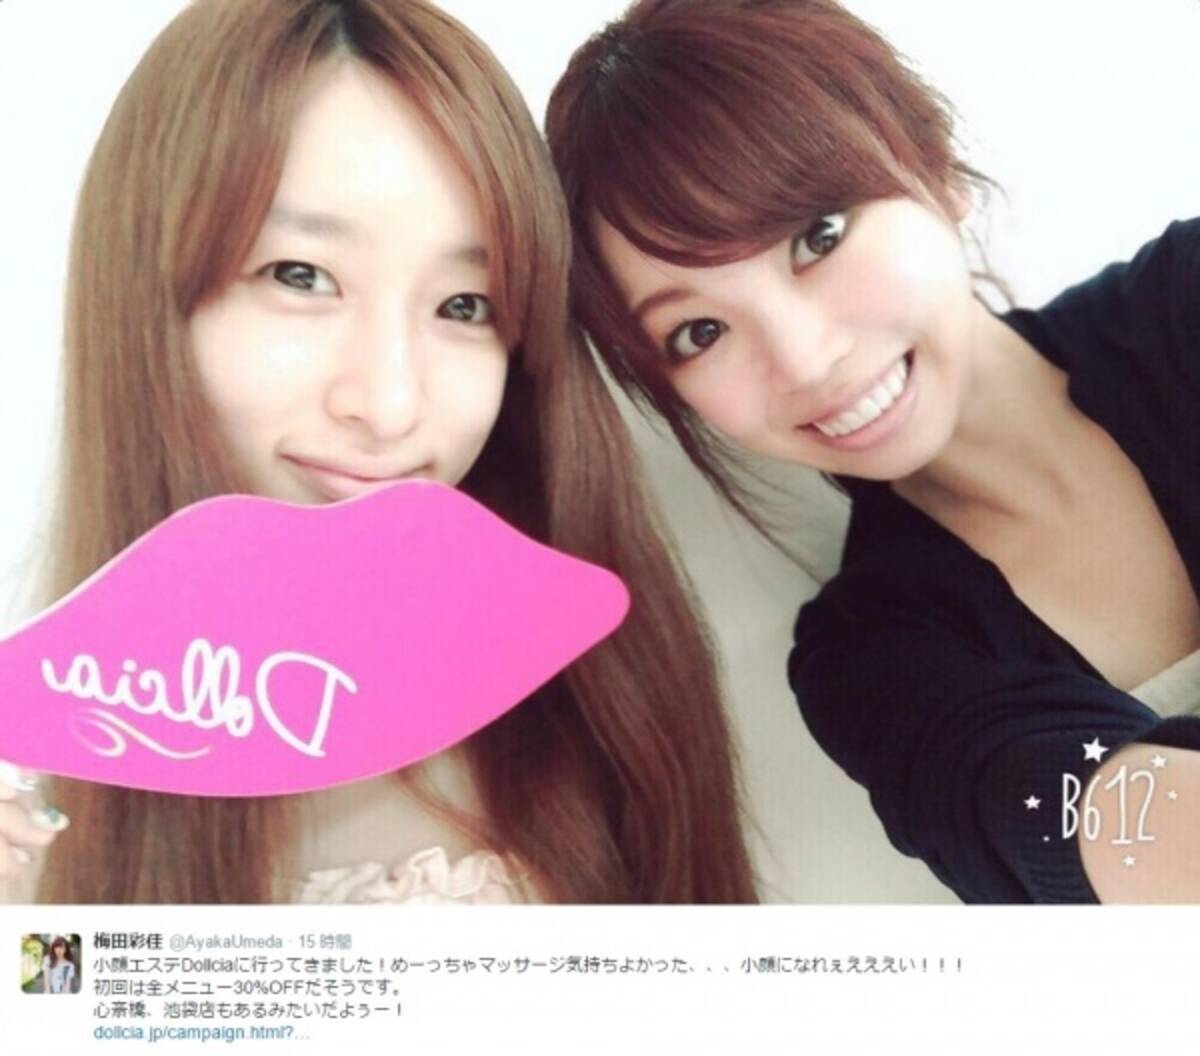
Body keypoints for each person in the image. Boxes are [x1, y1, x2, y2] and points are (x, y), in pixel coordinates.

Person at [0, 0, 757, 904]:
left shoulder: (607, 698)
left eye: (464, 305)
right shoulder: (38, 779)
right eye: (301, 276)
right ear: (148, 295)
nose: (391, 405)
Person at [545, 0, 1200, 903]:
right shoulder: (875, 659)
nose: (803, 360)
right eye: (699, 332)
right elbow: (1079, 819)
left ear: (937, 169)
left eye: (817, 238)